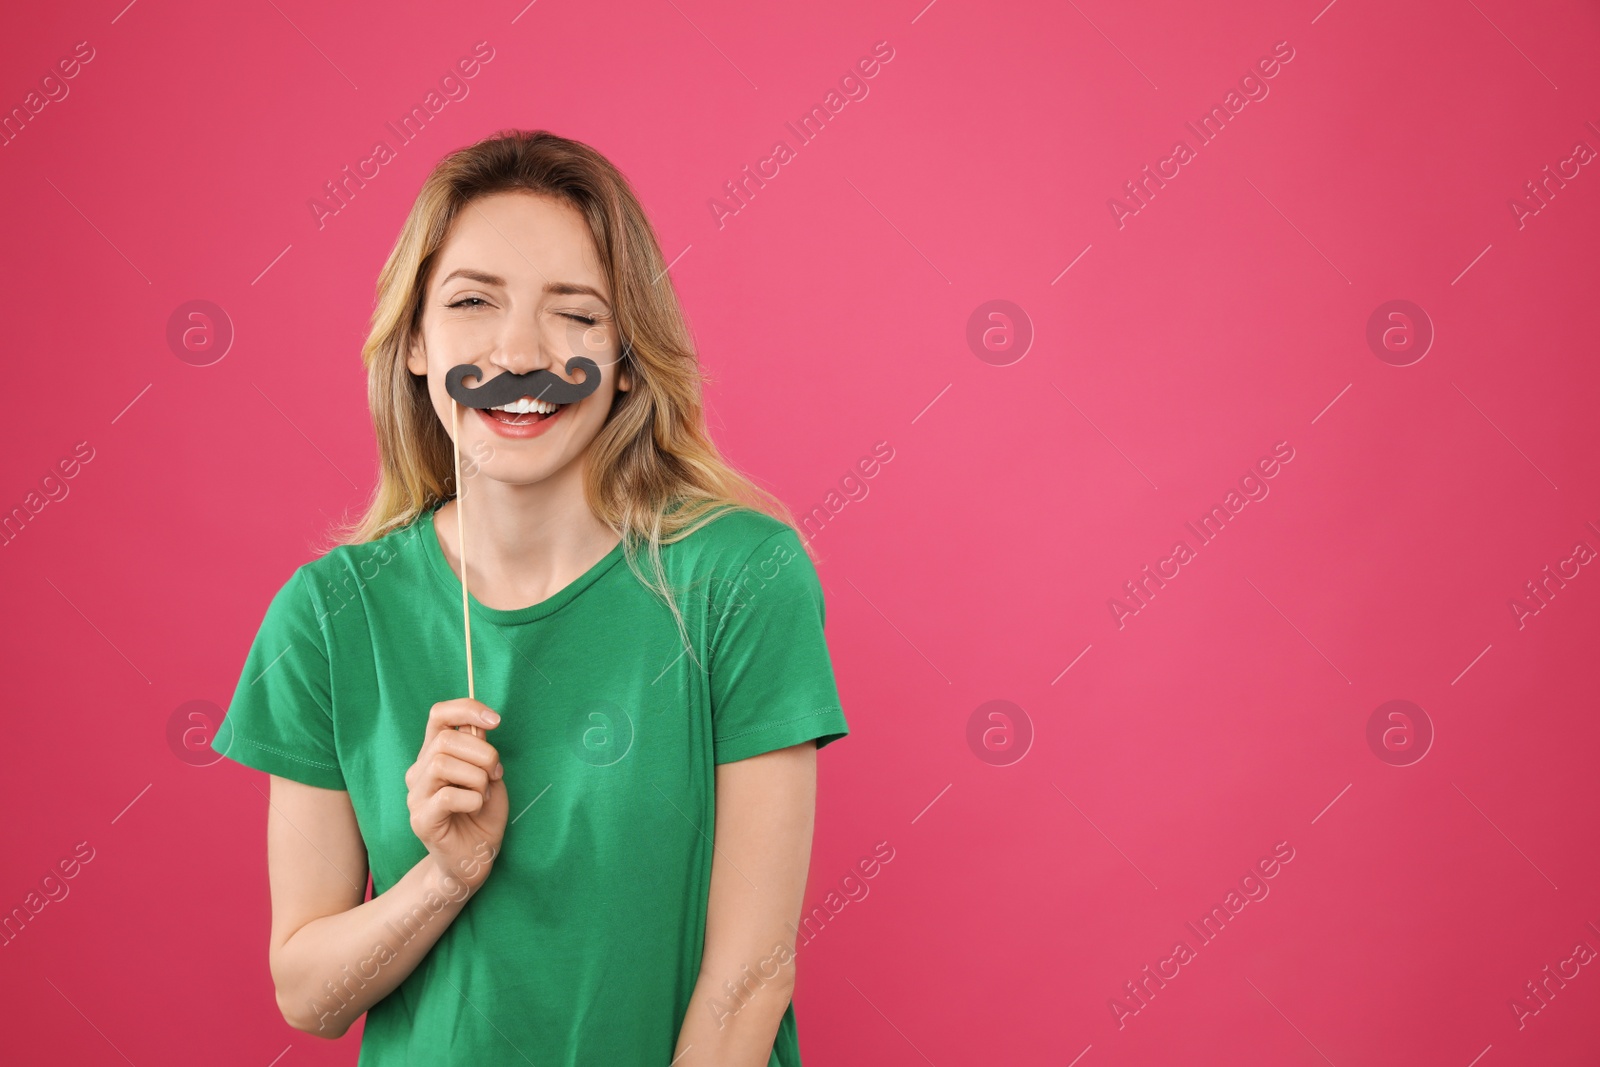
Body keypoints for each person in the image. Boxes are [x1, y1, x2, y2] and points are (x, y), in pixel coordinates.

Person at [210, 128, 849, 1066]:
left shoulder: (741, 578)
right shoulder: (326, 616)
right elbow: (308, 996)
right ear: (418, 342)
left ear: (629, 357)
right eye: (473, 302)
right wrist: (445, 875)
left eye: (576, 315)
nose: (520, 353)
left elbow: (753, 970)